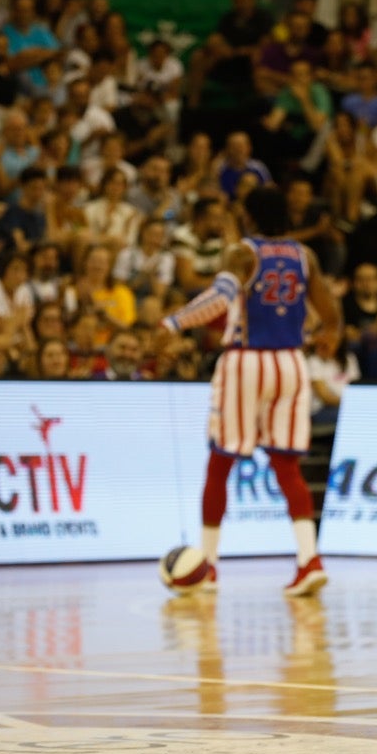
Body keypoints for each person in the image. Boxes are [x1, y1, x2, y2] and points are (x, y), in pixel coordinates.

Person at [157, 186, 340, 596]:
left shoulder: (242, 252)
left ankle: (209, 567)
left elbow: (221, 297)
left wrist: (174, 323)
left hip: (247, 361)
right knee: (287, 465)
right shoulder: (303, 256)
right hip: (292, 362)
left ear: (250, 217)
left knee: (221, 462)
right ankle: (309, 561)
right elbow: (330, 314)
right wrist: (327, 336)